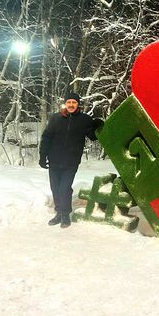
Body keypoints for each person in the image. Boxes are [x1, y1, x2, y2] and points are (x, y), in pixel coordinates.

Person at [39, 92, 103, 228]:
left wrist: (98, 126)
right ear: (65, 103)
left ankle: (65, 214)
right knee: (55, 188)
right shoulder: (56, 118)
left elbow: (92, 137)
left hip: (71, 161)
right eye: (69, 102)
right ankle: (58, 213)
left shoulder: (84, 120)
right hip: (54, 160)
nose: (71, 105)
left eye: (74, 102)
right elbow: (47, 137)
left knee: (64, 188)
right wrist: (43, 155)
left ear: (78, 104)